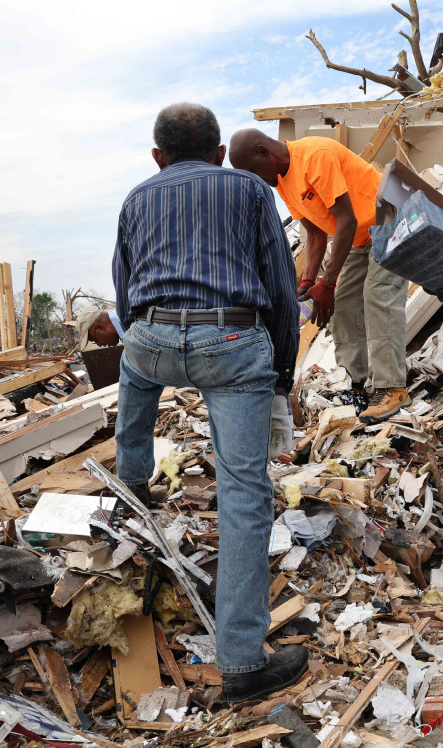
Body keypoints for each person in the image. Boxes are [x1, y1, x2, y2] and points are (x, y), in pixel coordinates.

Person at [112, 103, 305, 702]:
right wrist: (281, 378)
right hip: (231, 344)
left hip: (152, 341)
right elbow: (281, 288)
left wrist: (146, 334)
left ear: (157, 157)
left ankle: (130, 483)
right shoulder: (249, 189)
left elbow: (123, 293)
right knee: (243, 493)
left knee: (133, 369)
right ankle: (242, 665)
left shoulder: (136, 198)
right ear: (221, 153)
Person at [228, 129, 410, 423]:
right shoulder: (282, 181)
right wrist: (308, 283)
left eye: (253, 171)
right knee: (342, 304)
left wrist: (327, 282)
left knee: (378, 294)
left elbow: (346, 219)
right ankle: (353, 385)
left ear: (263, 152)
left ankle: (393, 389)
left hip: (389, 220)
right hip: (359, 237)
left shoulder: (315, 156)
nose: (257, 179)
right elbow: (314, 234)